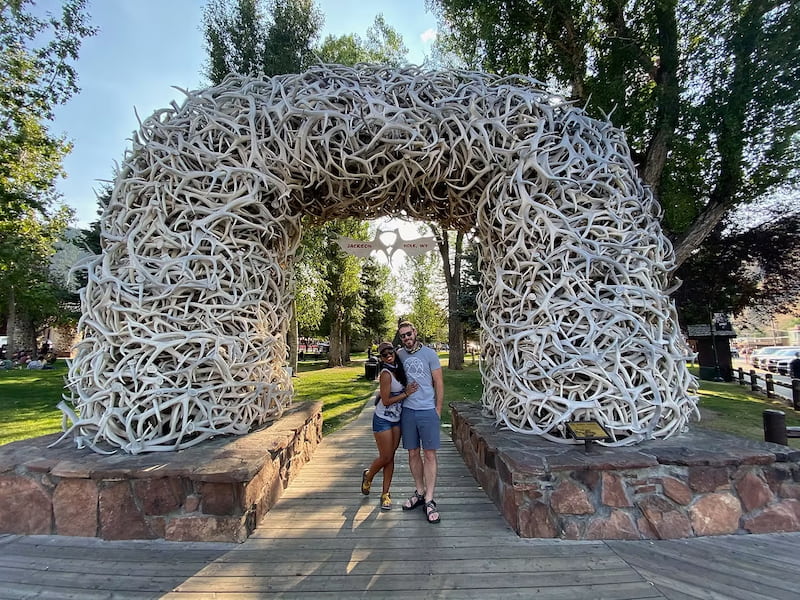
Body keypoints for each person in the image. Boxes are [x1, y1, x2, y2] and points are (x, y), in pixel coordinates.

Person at [396, 320, 444, 524]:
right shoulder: (399, 355)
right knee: (413, 453)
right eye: (403, 336)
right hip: (408, 411)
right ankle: (420, 492)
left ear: (415, 332)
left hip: (427, 410)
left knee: (430, 454)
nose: (407, 338)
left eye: (409, 334)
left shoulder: (430, 354)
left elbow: (438, 382)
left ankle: (430, 499)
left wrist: (438, 409)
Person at [361, 342, 418, 509]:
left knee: (390, 457)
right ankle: (369, 475)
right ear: (381, 358)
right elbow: (385, 401)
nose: (388, 356)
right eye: (384, 354)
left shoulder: (399, 368)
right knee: (385, 457)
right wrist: (406, 393)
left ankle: (385, 493)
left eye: (390, 352)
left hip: (397, 419)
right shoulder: (385, 374)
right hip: (383, 419)